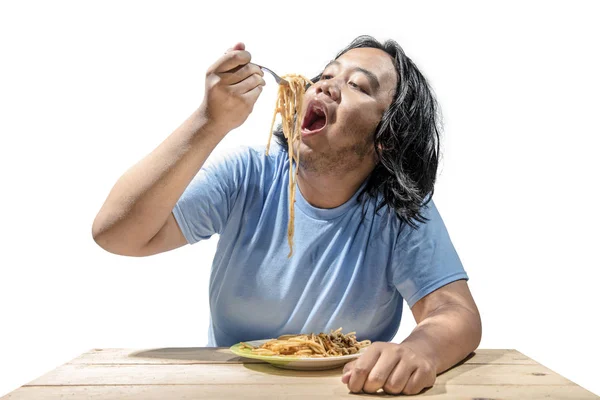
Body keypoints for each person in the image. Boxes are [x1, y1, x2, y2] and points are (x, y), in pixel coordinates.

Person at [92, 36, 482, 395]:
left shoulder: (397, 209)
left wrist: (421, 350)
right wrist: (209, 121)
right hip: (230, 391)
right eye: (326, 75)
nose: (326, 85)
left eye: (357, 85)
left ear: (387, 138)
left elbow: (455, 312)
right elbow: (116, 233)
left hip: (346, 392)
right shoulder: (248, 174)